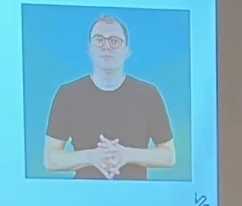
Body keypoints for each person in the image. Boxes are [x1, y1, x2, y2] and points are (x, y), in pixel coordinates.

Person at [41, 14, 176, 180]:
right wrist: (91, 157)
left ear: (127, 51)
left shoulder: (148, 95)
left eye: (114, 40)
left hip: (137, 200)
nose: (106, 46)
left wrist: (126, 155)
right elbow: (51, 159)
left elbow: (168, 156)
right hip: (83, 199)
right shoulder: (67, 94)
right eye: (99, 40)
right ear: (89, 49)